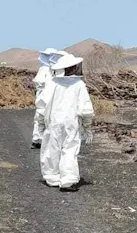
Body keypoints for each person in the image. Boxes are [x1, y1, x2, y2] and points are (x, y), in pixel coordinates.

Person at [36, 51, 94, 191]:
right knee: (69, 149)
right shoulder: (79, 84)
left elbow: (41, 105)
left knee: (52, 148)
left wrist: (40, 124)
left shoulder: (52, 83)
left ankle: (52, 177)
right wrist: (87, 127)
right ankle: (68, 180)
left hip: (53, 122)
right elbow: (85, 109)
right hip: (71, 123)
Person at [31, 49, 64, 148]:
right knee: (42, 119)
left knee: (43, 119)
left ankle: (40, 140)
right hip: (44, 99)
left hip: (45, 99)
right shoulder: (47, 70)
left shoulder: (49, 71)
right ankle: (39, 140)